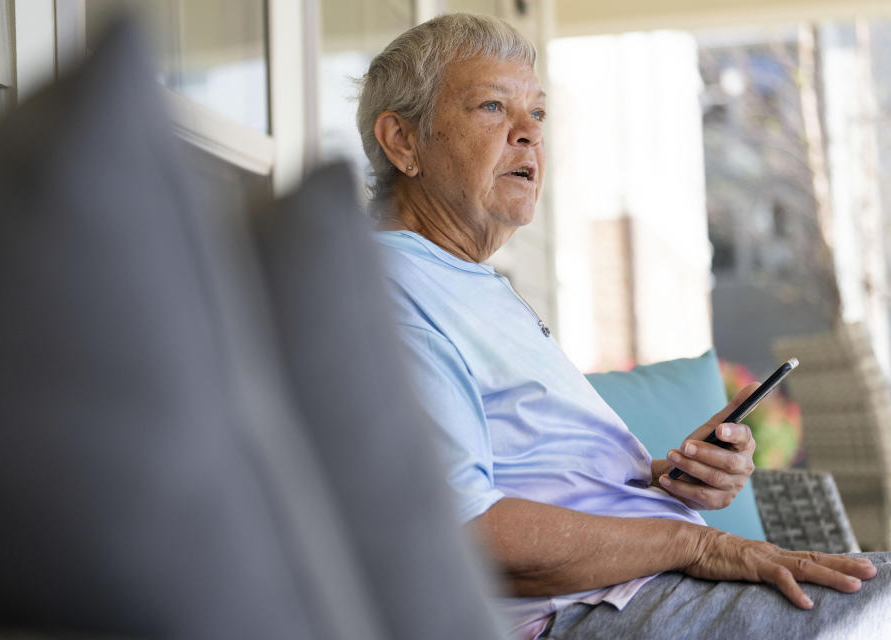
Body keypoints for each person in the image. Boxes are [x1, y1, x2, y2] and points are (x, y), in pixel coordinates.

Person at [357, 12, 891, 640]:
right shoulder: (392, 292)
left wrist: (669, 482)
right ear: (402, 142)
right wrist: (694, 545)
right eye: (493, 108)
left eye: (538, 114)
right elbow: (461, 531)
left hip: (645, 590)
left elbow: (535, 471)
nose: (529, 134)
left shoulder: (469, 284)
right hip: (591, 611)